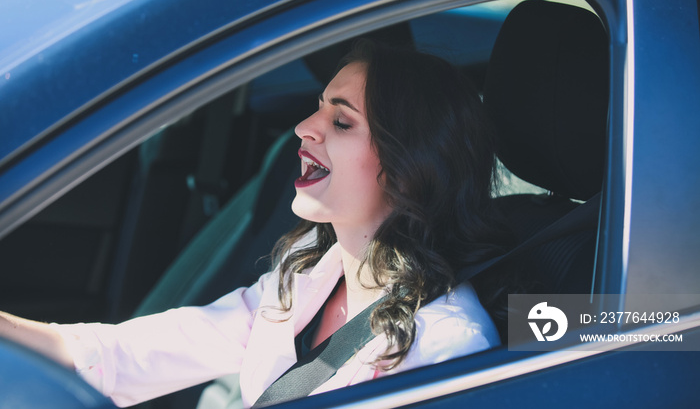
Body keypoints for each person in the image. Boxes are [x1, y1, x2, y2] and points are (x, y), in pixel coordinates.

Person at [0, 39, 507, 407]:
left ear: (405, 168)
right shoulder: (304, 273)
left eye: (341, 121)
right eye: (318, 108)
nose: (304, 128)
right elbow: (133, 353)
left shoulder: (446, 346)